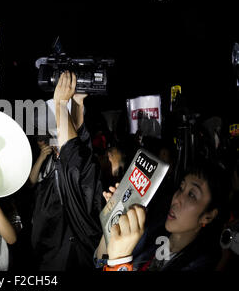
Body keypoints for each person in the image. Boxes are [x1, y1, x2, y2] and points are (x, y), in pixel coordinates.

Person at [95, 160, 229, 271]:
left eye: (192, 195)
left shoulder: (201, 264)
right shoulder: (151, 231)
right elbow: (99, 263)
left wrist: (120, 263)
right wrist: (113, 222)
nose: (176, 199)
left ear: (208, 216)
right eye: (181, 188)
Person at [30, 71, 103, 270]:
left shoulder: (79, 164)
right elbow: (74, 155)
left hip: (72, 256)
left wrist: (64, 105)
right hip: (50, 253)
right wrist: (75, 104)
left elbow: (76, 160)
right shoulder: (52, 162)